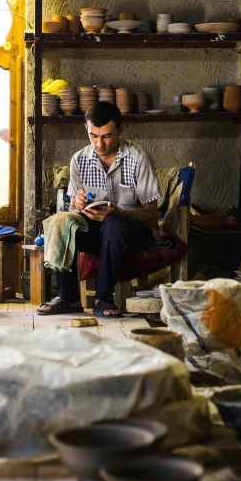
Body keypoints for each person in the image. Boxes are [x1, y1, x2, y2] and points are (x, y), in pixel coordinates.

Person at [37, 101, 160, 319]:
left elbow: (152, 217)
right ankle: (68, 298)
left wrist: (119, 211)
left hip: (133, 234)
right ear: (86, 128)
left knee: (113, 223)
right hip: (97, 233)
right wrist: (79, 206)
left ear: (120, 131)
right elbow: (75, 208)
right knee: (61, 221)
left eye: (106, 136)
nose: (99, 144)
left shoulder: (138, 158)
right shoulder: (79, 160)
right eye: (93, 136)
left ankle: (103, 299)